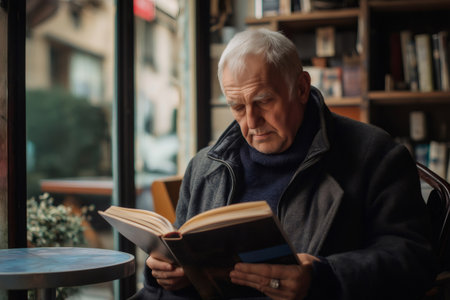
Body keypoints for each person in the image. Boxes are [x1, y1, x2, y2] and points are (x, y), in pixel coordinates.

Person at [131, 28, 437, 299]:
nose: (251, 122)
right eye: (237, 106)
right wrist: (166, 276)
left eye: (264, 101)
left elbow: (414, 260)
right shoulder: (204, 165)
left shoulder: (375, 154)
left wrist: (324, 278)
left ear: (301, 88)